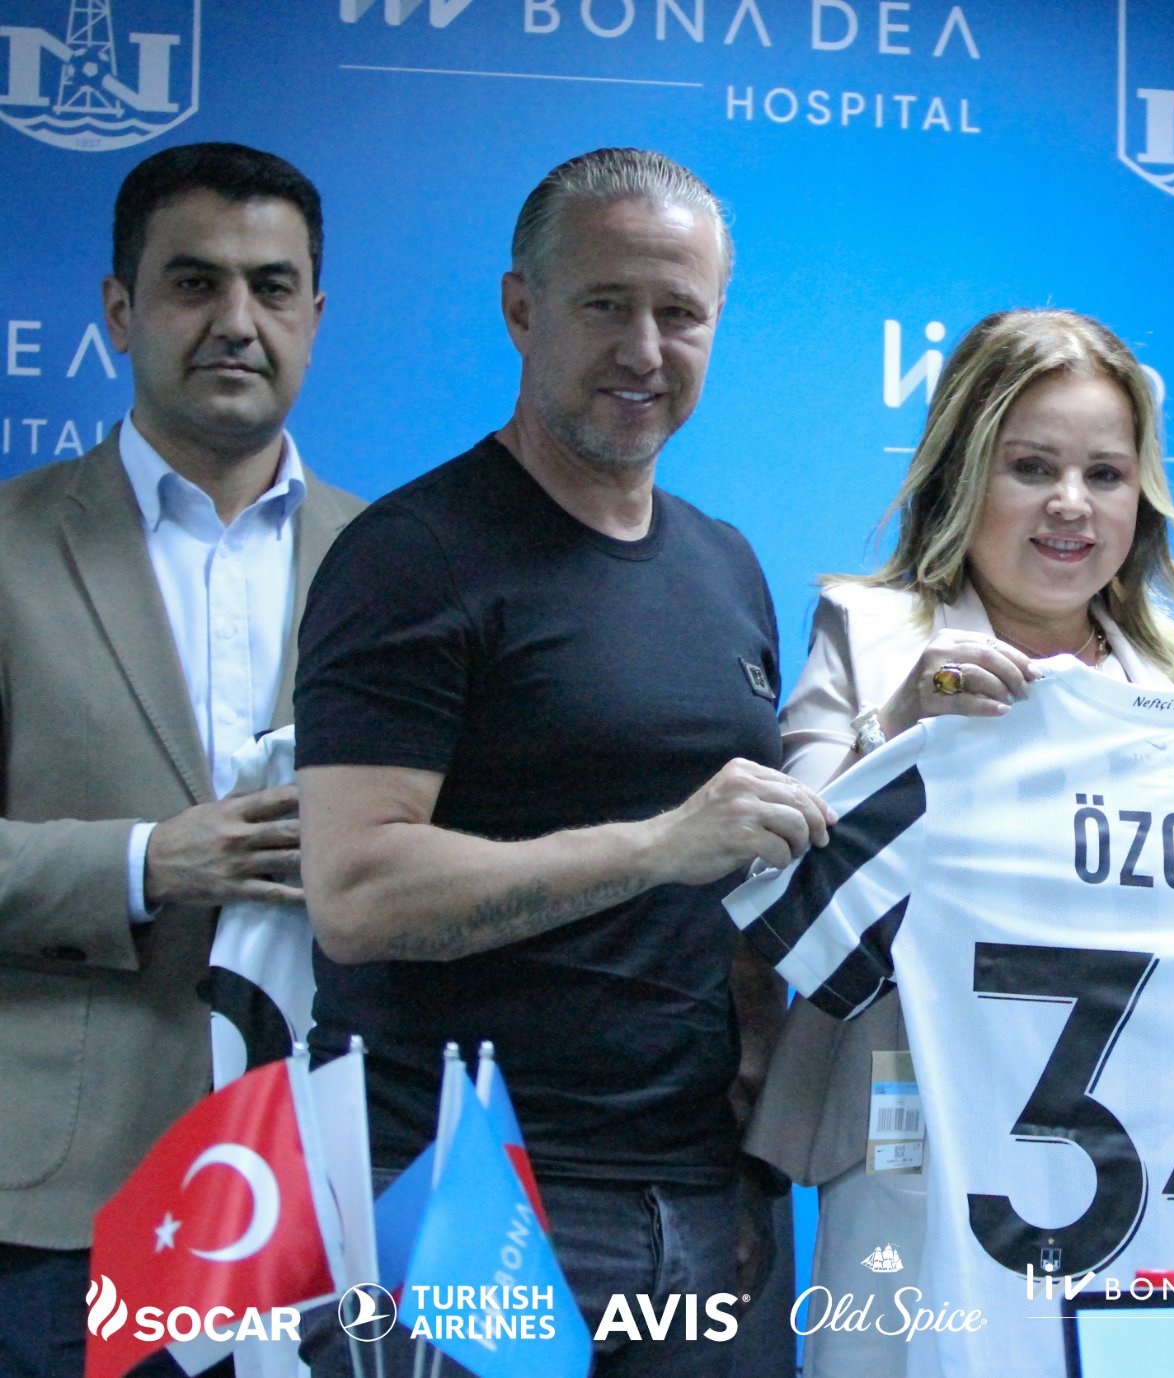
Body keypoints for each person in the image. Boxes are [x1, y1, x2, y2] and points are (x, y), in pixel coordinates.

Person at [294, 148, 823, 1377]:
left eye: (679, 313)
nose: (644, 348)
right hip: (459, 1201)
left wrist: (754, 1061)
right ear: (520, 308)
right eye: (605, 305)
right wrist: (654, 847)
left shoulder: (725, 563)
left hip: (703, 1206)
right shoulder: (410, 556)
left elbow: (733, 882)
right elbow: (357, 893)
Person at [745, 306, 1174, 1378]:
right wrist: (900, 726)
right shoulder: (870, 634)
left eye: (1105, 475)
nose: (1071, 504)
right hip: (912, 1148)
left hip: (1150, 1168)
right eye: (1031, 467)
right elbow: (789, 891)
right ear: (962, 475)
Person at [0, 142, 361, 1378]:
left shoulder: (401, 564)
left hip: (328, 1196)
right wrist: (147, 861)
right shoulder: (8, 546)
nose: (236, 321)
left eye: (272, 287)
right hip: (60, 1208)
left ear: (315, 315)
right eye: (195, 282)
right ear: (119, 310)